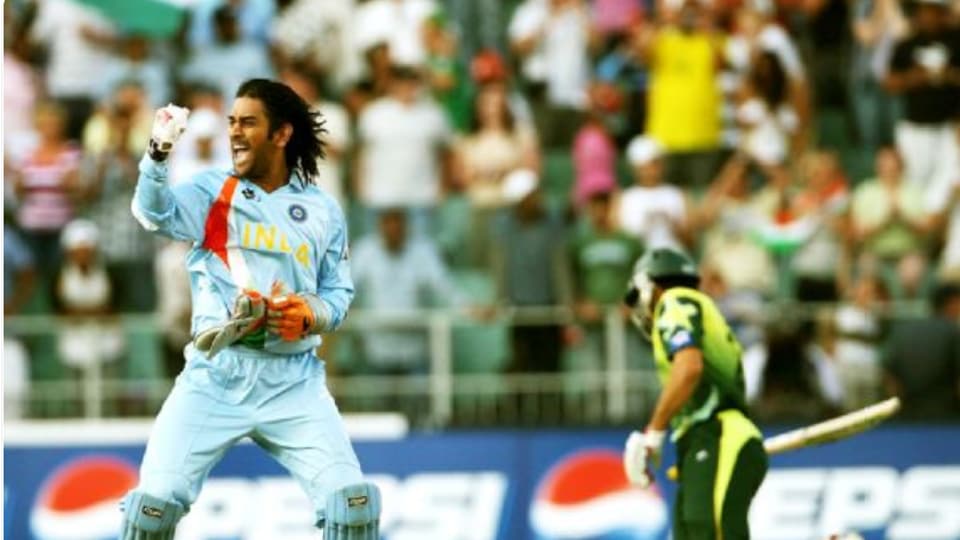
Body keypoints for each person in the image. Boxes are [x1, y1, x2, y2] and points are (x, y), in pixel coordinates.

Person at [122, 79, 380, 537]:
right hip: (216, 376)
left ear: (281, 134)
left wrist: (309, 315)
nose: (235, 133)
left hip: (294, 381)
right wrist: (157, 155)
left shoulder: (322, 209)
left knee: (352, 507)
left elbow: (338, 295)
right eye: (232, 122)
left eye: (248, 123)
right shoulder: (212, 191)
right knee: (151, 510)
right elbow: (152, 214)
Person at [622, 247, 767, 539]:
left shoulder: (674, 301)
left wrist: (654, 432)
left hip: (719, 434)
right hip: (704, 439)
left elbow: (689, 368)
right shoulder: (698, 308)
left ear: (651, 285)